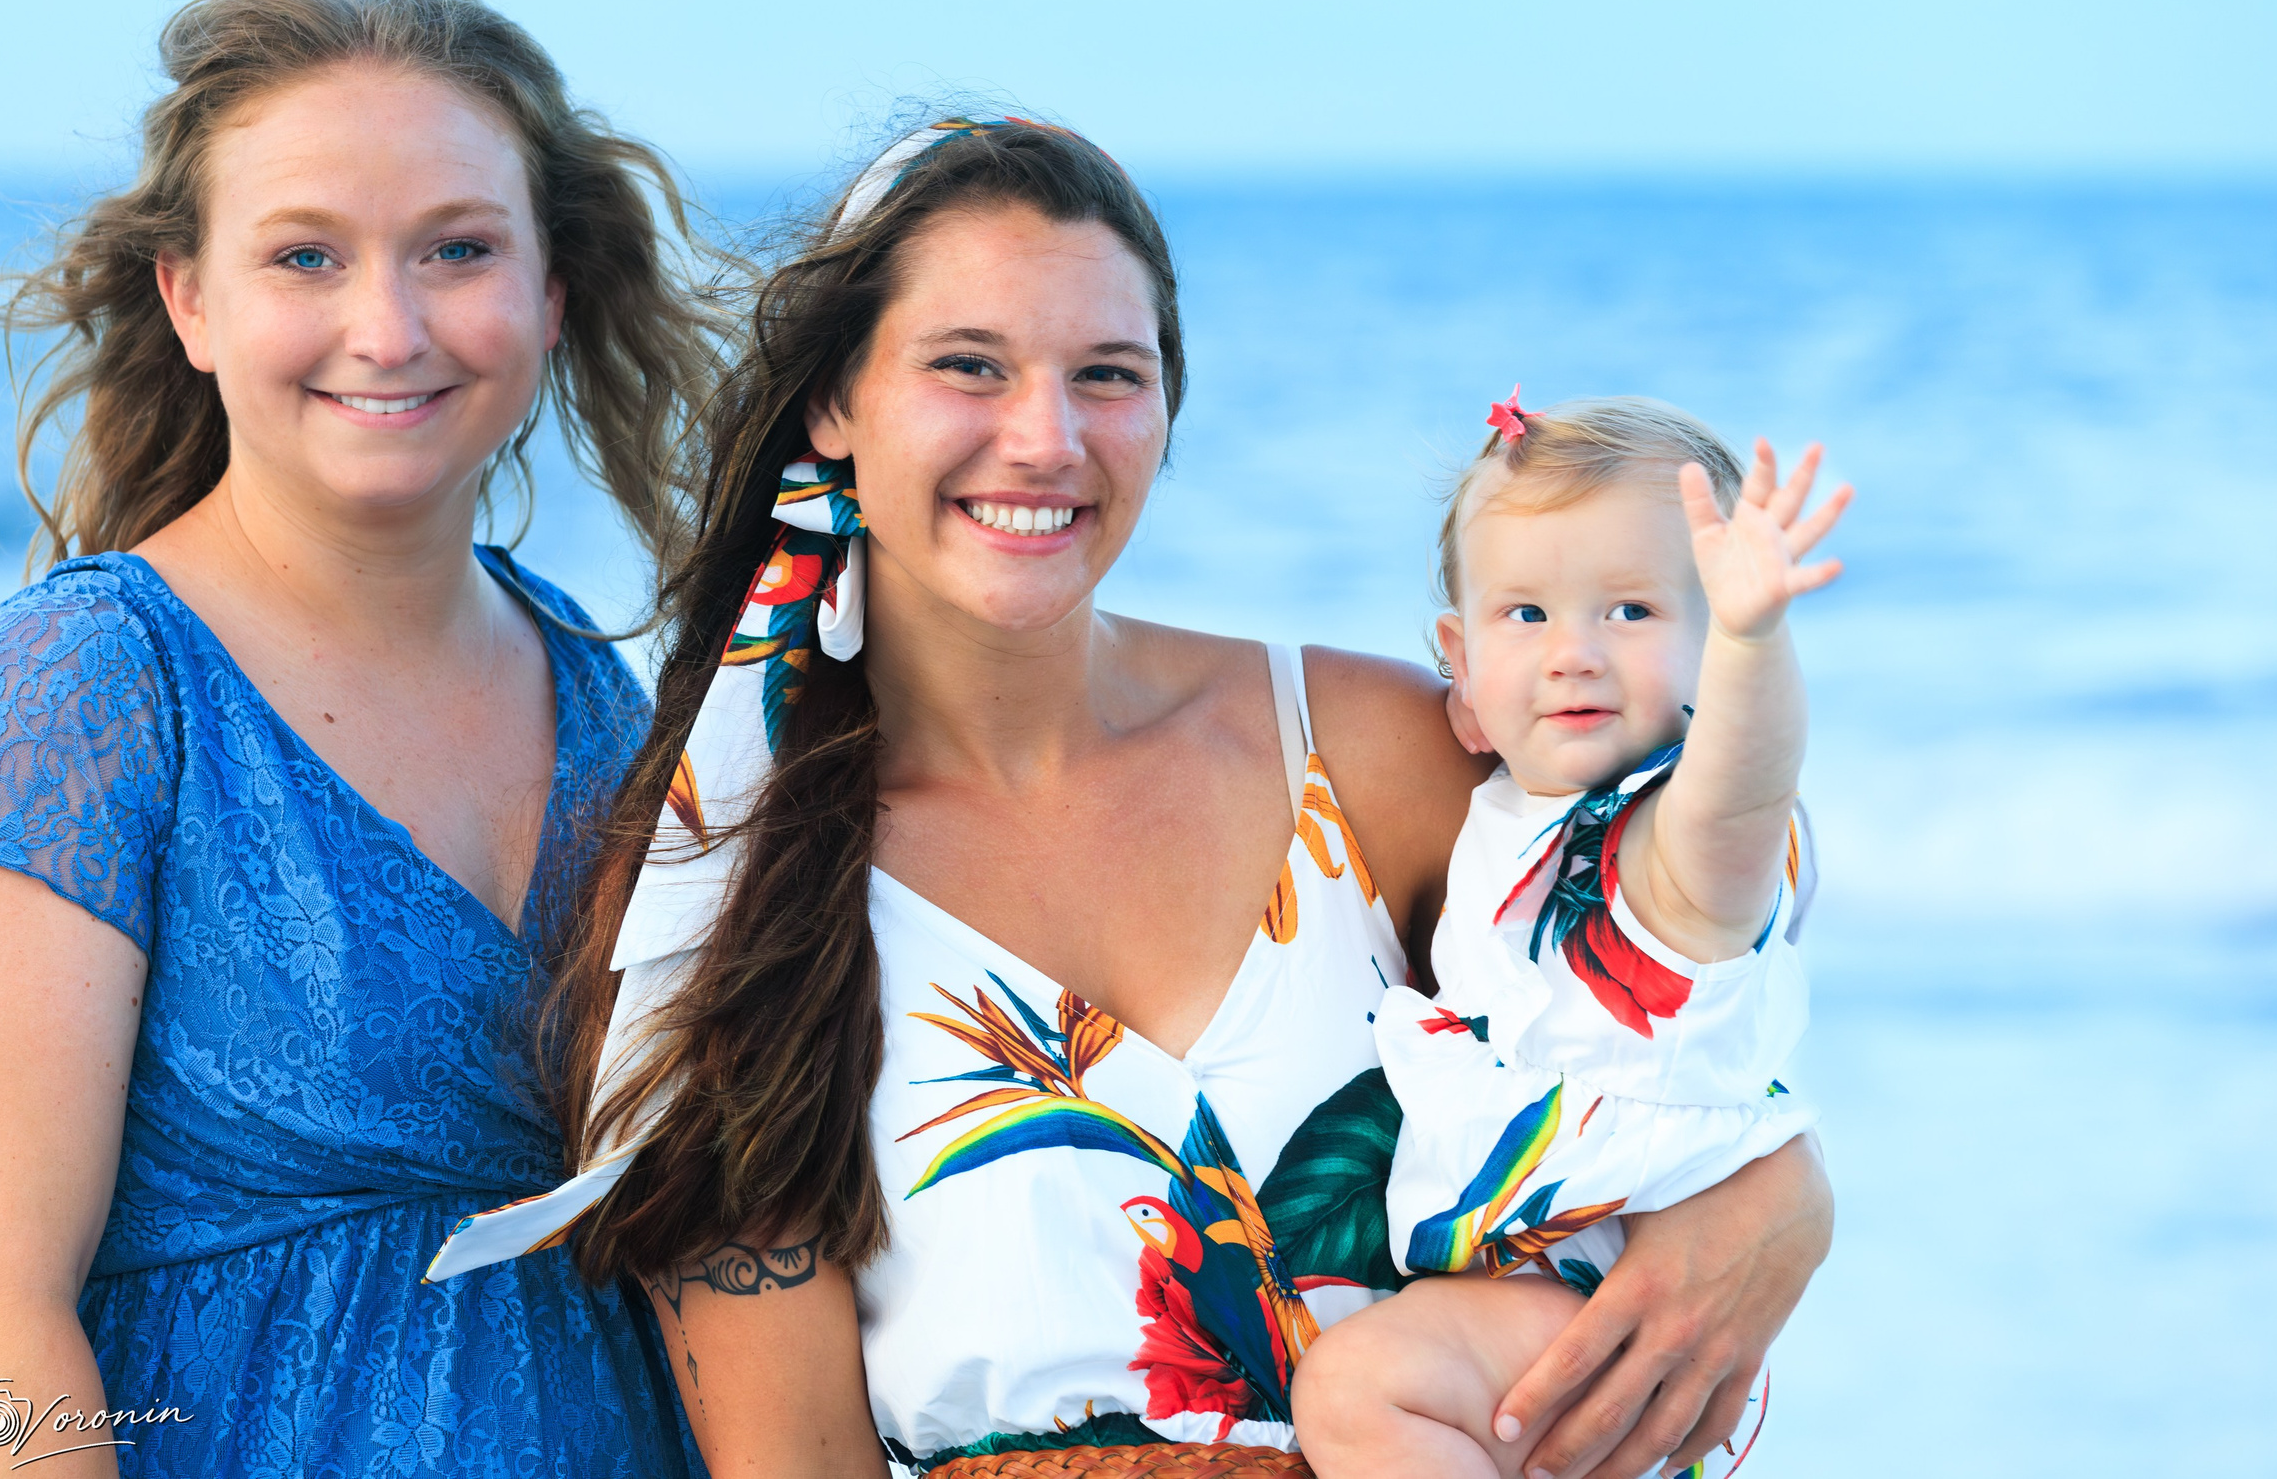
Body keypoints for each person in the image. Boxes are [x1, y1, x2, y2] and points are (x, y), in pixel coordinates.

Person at [433, 114, 1834, 1479]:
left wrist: (1783, 1193)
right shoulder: (728, 902)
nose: (1045, 439)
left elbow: (1679, 934)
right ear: (835, 404)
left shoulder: (1369, 748)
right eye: (969, 366)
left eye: (1108, 374)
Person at [0, 0, 722, 1477]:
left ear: (551, 293)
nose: (388, 324)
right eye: (305, 255)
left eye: (459, 250)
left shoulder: (596, 687)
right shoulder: (87, 695)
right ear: (190, 300)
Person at [1288, 396, 1851, 1477]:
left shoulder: (1663, 843)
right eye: (1527, 615)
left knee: (1360, 1388)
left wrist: (1752, 640)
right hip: (1541, 1275)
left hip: (1618, 1288)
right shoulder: (1505, 807)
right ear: (1457, 673)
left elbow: (1743, 792)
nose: (1575, 654)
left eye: (1632, 612)